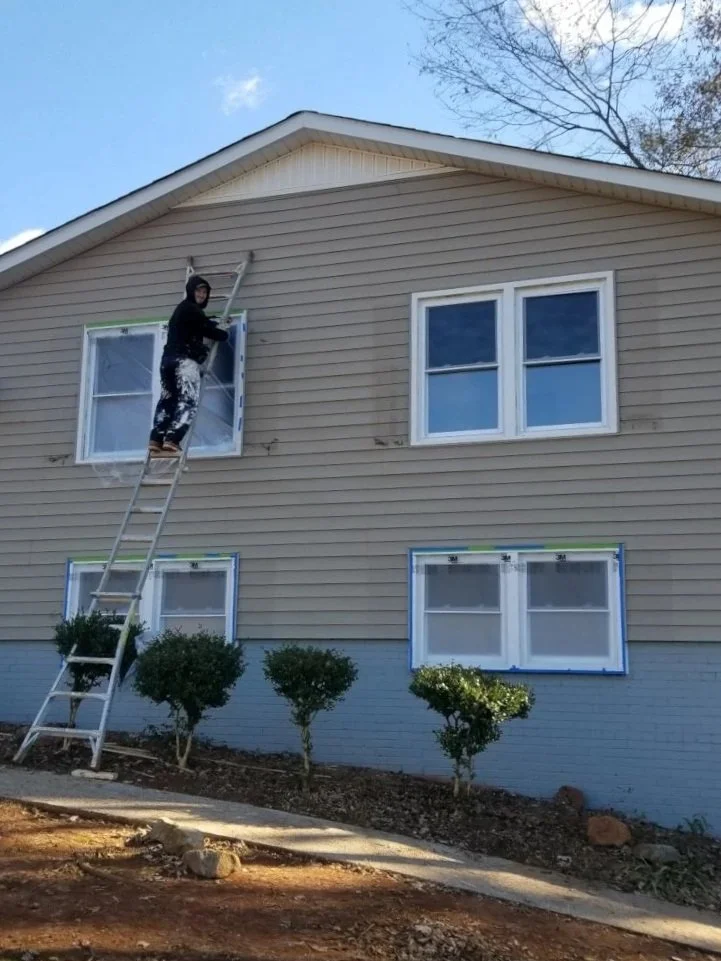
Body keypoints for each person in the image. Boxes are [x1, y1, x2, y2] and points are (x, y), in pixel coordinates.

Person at [148, 274, 229, 457]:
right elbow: (207, 330)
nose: (201, 295)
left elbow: (200, 324)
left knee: (167, 399)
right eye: (198, 291)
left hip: (167, 361)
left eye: (204, 292)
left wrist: (211, 323)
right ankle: (173, 440)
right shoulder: (192, 309)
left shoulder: (182, 310)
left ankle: (156, 439)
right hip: (183, 363)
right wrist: (223, 334)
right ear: (191, 291)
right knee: (187, 400)